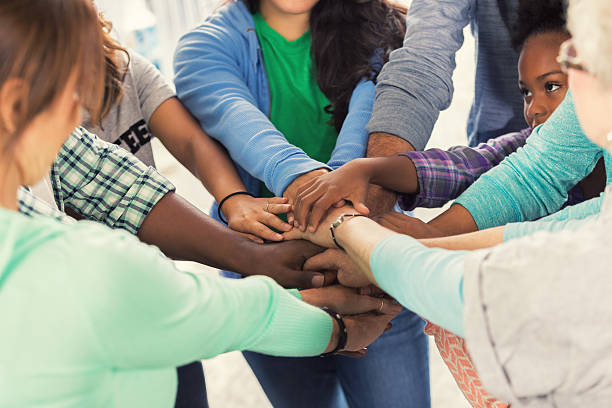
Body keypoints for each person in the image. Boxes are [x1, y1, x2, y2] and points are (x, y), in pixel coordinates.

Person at [0, 1, 399, 407]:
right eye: (67, 91)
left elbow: (117, 184)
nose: (77, 114)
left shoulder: (59, 193)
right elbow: (184, 309)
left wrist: (257, 249)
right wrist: (326, 321)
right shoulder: (84, 264)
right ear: (14, 106)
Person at [290, 0, 612, 404]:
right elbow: (532, 170)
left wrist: (369, 240)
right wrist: (374, 178)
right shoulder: (568, 119)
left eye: (576, 63)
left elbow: (474, 282)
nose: (536, 108)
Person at [174, 1, 431, 407]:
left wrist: (336, 195)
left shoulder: (382, 30)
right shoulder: (203, 47)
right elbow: (240, 123)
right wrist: (317, 190)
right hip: (270, 277)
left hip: (371, 266)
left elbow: (364, 137)